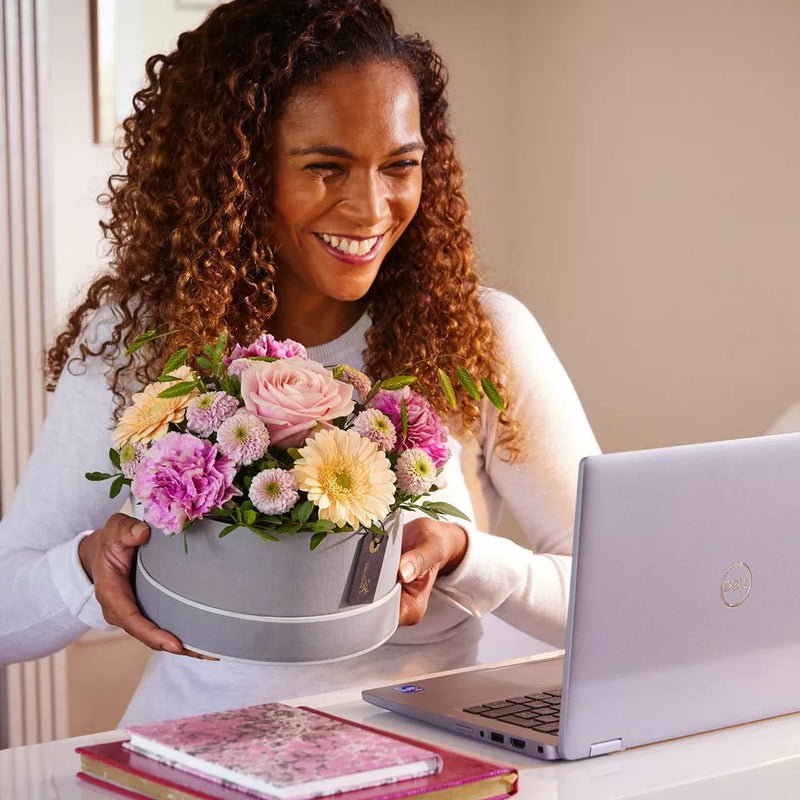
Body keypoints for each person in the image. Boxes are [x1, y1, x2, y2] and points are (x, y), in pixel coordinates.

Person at [0, 0, 599, 724]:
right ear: (239, 175)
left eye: (400, 166)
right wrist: (85, 571)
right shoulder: (140, 342)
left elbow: (615, 596)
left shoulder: (481, 335)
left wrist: (471, 557)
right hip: (193, 758)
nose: (372, 207)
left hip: (433, 761)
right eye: (327, 167)